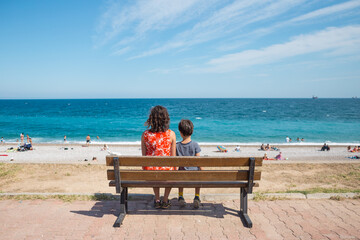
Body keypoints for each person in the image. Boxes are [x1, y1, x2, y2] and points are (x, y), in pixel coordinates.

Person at [141, 105, 176, 209]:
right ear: (165, 119)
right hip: (167, 172)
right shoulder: (171, 134)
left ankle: (157, 199)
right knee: (172, 170)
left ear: (151, 118)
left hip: (151, 172)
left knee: (152, 167)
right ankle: (165, 200)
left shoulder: (145, 135)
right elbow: (173, 158)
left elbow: (144, 157)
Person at [176, 119, 202, 209]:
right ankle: (197, 197)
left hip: (181, 176)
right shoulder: (195, 145)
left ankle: (180, 196)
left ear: (180, 132)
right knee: (198, 174)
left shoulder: (177, 146)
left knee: (180, 172)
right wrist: (203, 171)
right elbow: (199, 161)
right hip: (194, 176)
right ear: (192, 131)